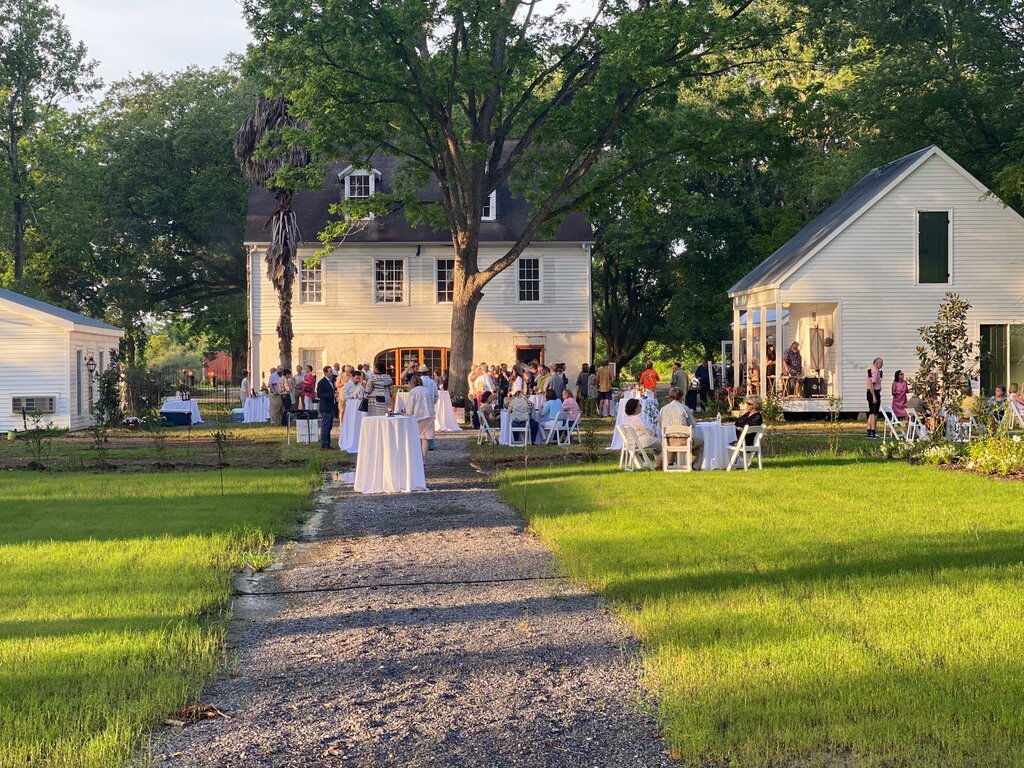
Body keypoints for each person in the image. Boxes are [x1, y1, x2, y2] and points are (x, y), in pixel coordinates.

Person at [659, 387, 703, 467]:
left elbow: (660, 425)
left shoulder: (663, 409)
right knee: (700, 442)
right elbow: (692, 425)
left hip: (667, 441)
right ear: (682, 397)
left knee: (671, 438)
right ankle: (691, 464)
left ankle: (670, 463)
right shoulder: (684, 408)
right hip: (683, 441)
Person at [405, 373, 436, 459]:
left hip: (418, 416)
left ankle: (417, 458)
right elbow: (433, 400)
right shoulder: (426, 390)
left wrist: (408, 414)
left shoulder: (413, 391)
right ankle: (423, 459)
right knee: (425, 438)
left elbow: (410, 406)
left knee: (416, 437)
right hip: (429, 415)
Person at [315, 366, 336, 450]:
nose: (332, 373)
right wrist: (331, 395)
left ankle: (327, 443)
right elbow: (319, 394)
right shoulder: (322, 382)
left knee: (329, 426)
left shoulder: (331, 381)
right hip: (325, 407)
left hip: (330, 406)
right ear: (325, 373)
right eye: (330, 372)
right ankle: (324, 444)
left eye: (332, 371)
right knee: (325, 426)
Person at [866, 357, 883, 438]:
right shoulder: (875, 371)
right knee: (874, 413)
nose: (882, 365)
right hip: (873, 392)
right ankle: (873, 431)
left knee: (871, 412)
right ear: (876, 363)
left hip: (870, 392)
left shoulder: (871, 370)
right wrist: (874, 396)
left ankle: (869, 431)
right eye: (881, 363)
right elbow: (872, 384)